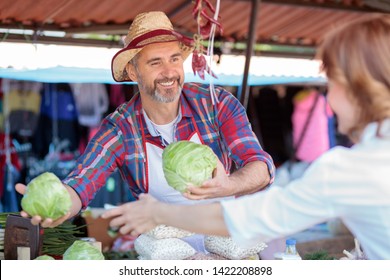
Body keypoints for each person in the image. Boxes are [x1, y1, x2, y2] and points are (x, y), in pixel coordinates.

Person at [102, 14, 390, 260]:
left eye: (332, 83)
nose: (328, 98)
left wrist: (159, 214)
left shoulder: (351, 169)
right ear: (133, 71)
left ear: (359, 88)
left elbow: (253, 216)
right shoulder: (119, 126)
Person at [15, 11, 274, 227]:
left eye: (174, 59)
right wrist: (54, 203)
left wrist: (229, 184)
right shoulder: (120, 128)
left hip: (227, 238)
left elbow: (261, 167)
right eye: (155, 63)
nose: (169, 72)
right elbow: (81, 183)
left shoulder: (216, 104)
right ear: (133, 70)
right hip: (163, 251)